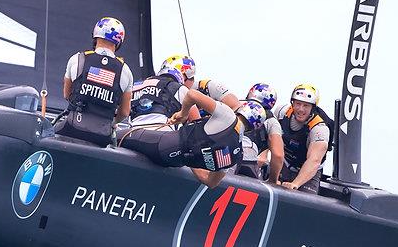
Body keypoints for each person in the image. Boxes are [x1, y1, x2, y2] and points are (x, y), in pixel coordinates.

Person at [120, 89, 266, 188]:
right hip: (173, 162)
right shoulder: (236, 154)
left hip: (162, 143)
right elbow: (210, 182)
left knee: (117, 137)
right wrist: (189, 159)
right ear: (252, 128)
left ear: (241, 108)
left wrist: (183, 114)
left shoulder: (228, 116)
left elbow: (192, 94)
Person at [54, 17, 133, 146]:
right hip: (102, 135)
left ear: (95, 36)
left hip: (72, 127)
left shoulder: (77, 59)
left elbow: (66, 94)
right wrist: (112, 123)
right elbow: (124, 112)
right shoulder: (126, 71)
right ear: (119, 42)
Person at [273, 83, 333, 193]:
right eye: (298, 104)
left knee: (304, 199)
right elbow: (269, 134)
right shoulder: (282, 111)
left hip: (308, 171)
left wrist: (295, 184)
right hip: (285, 163)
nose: (300, 109)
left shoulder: (319, 129)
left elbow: (314, 160)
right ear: (292, 103)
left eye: (306, 105)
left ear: (312, 108)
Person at [129, 55, 200, 127]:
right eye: (190, 78)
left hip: (130, 132)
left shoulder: (137, 85)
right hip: (162, 133)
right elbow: (197, 123)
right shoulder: (180, 89)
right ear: (182, 75)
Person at [242, 83, 284, 183]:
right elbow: (278, 155)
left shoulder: (233, 105)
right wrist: (273, 181)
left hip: (222, 156)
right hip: (248, 163)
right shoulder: (272, 122)